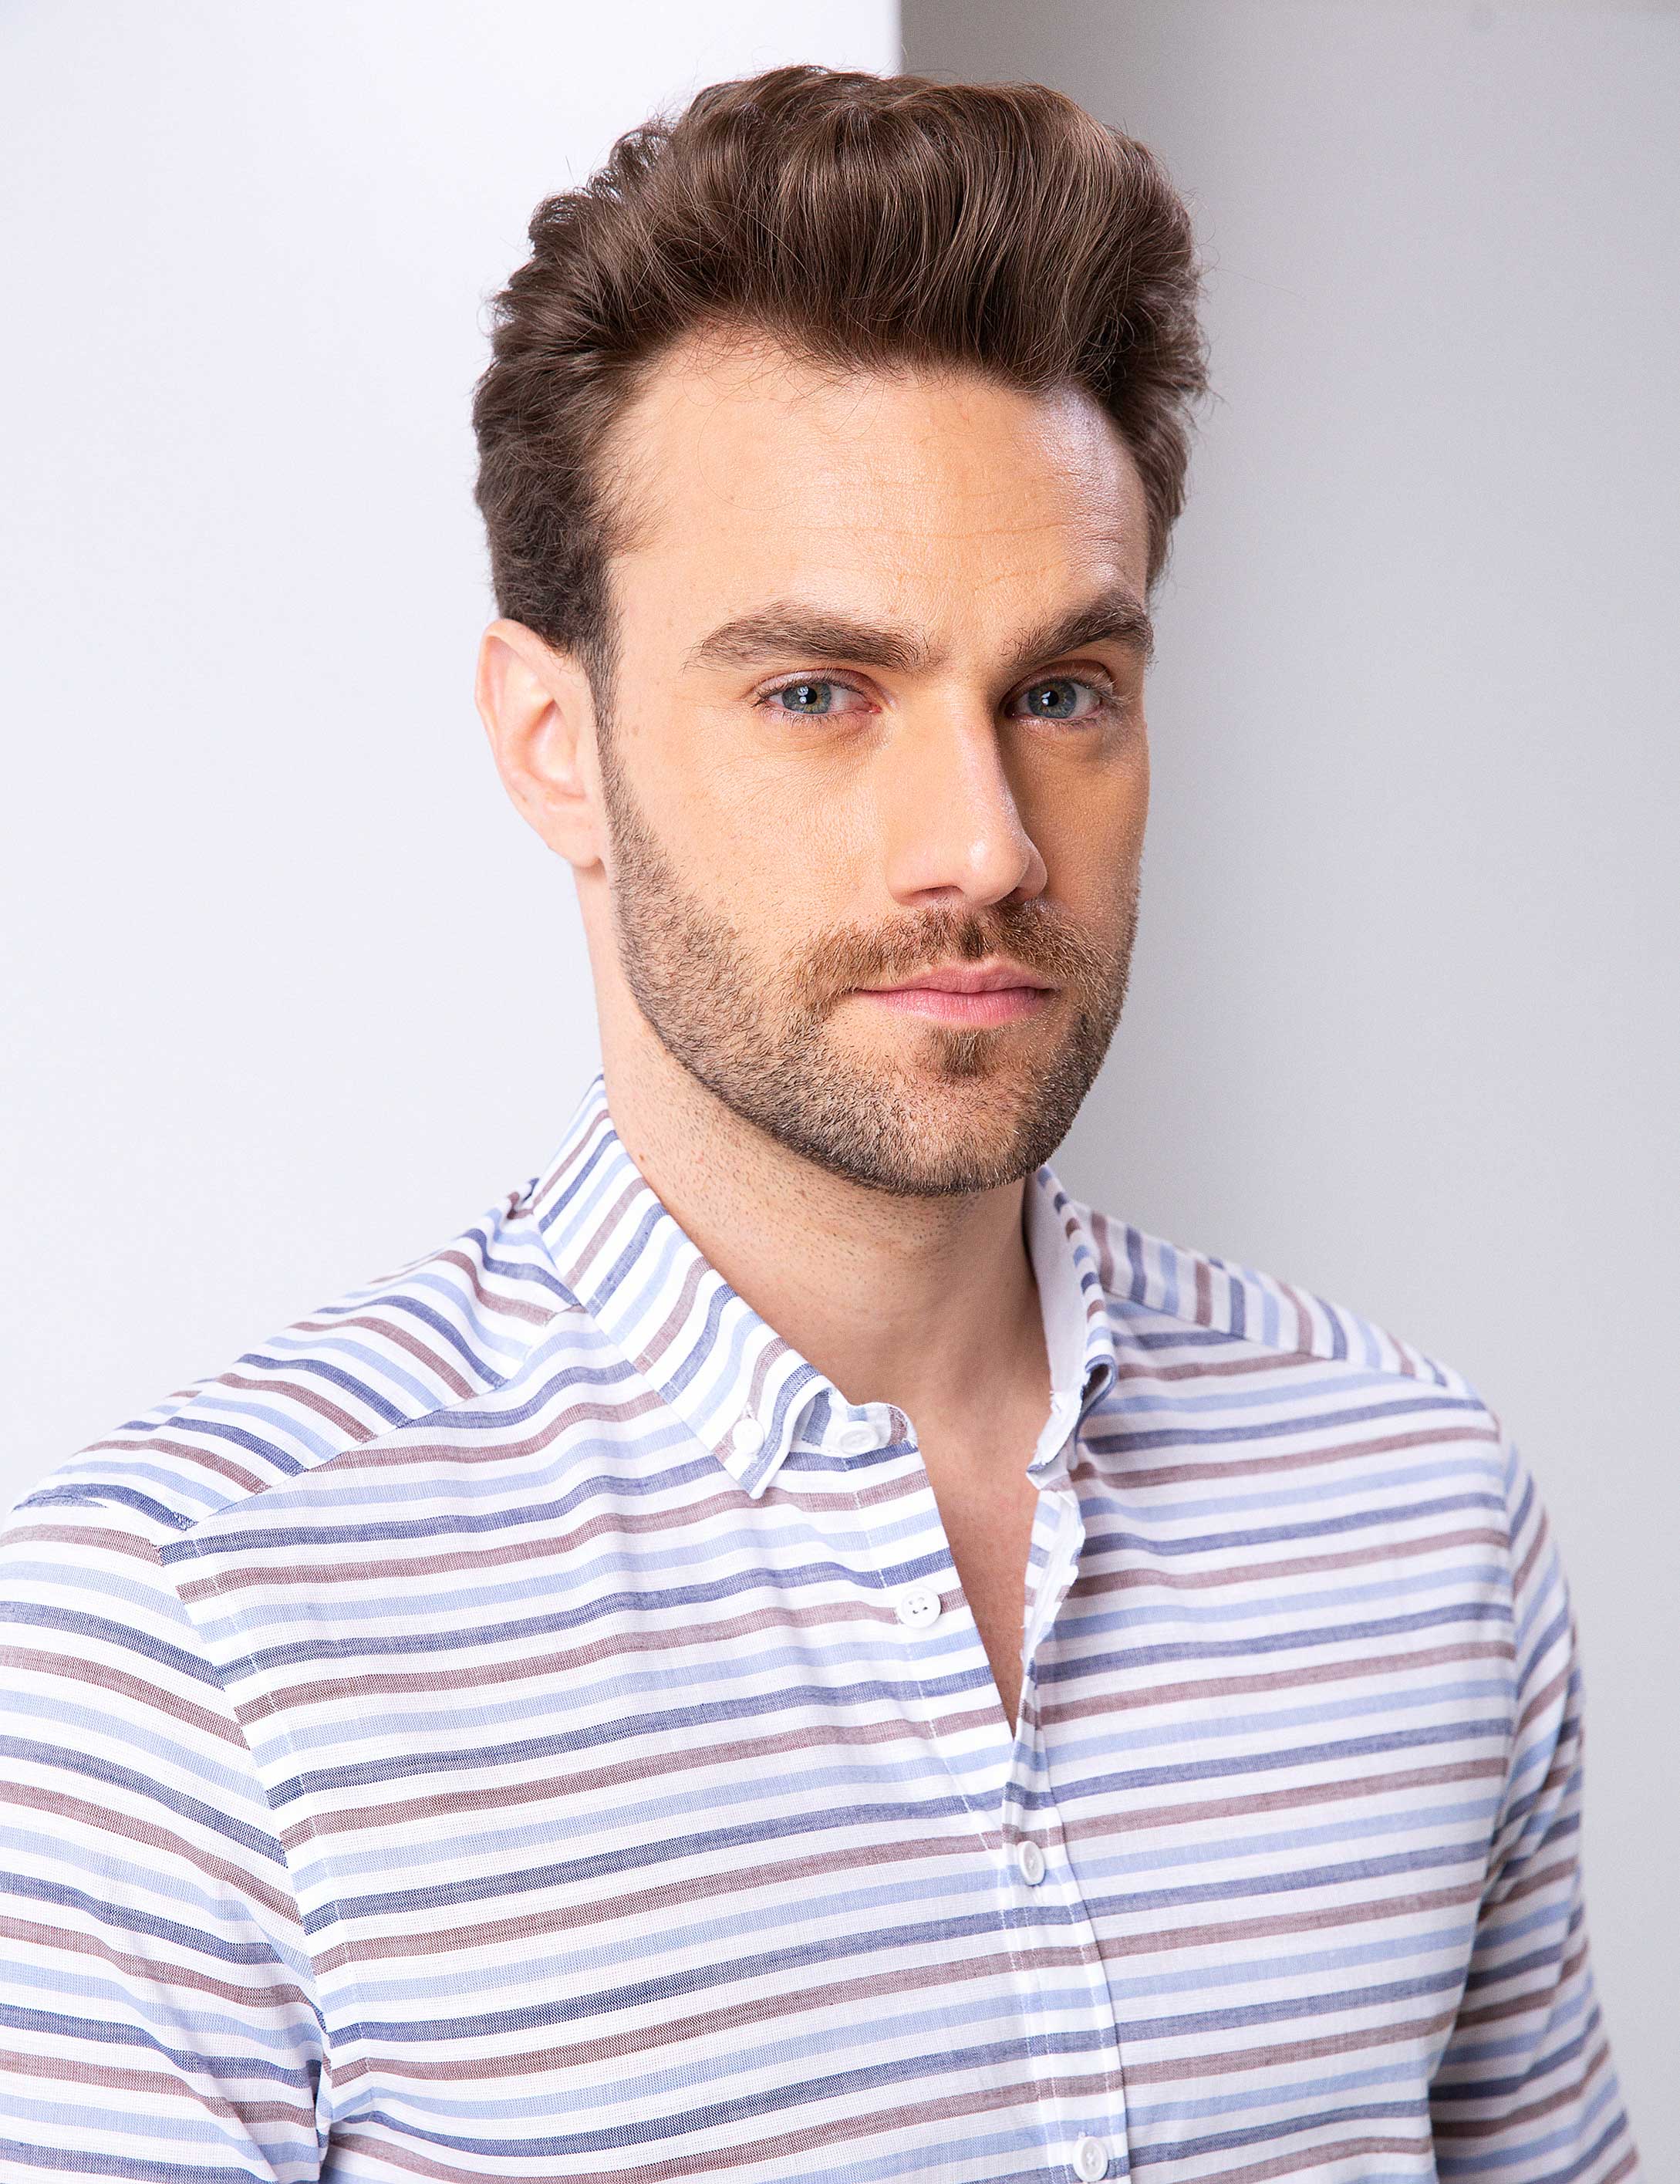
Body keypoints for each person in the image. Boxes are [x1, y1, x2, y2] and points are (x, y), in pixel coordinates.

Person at [0, 62, 1639, 2184]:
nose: (984, 846)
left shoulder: (1417, 1511)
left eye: (1060, 692)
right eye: (815, 694)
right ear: (552, 740)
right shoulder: (180, 1648)